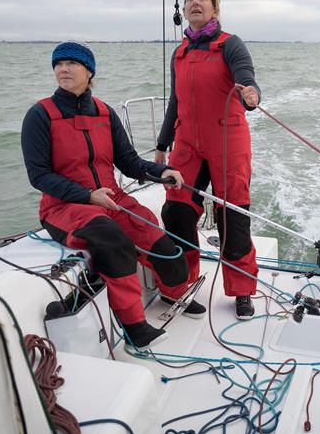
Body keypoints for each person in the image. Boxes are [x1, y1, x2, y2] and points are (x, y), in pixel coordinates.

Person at [21, 41, 206, 349]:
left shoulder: (105, 113)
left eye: (71, 63)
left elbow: (129, 161)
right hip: (64, 207)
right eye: (58, 64)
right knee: (112, 239)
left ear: (89, 72)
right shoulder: (40, 115)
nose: (63, 69)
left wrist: (163, 172)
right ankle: (134, 327)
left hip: (112, 198)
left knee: (153, 231)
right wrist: (87, 195)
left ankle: (174, 293)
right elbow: (38, 176)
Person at [154, 0, 261, 320]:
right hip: (187, 144)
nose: (195, 3)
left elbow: (246, 76)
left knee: (233, 218)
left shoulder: (230, 44)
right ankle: (180, 285)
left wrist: (251, 94)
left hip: (227, 141)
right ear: (184, 10)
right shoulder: (180, 53)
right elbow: (175, 102)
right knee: (176, 213)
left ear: (214, 8)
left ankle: (242, 290)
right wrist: (161, 144)